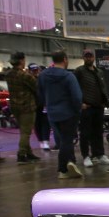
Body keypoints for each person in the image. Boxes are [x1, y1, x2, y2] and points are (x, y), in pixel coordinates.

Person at [38, 50, 84, 179]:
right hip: (68, 113)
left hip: (52, 113)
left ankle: (71, 162)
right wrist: (77, 110)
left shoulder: (43, 75)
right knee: (67, 140)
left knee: (60, 139)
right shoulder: (69, 76)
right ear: (65, 59)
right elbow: (77, 96)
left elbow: (40, 94)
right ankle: (63, 169)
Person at [73, 49, 109, 168]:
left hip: (98, 107)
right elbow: (74, 88)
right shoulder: (79, 71)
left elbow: (103, 87)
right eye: (86, 56)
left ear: (94, 57)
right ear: (83, 58)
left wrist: (104, 101)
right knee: (85, 133)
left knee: (98, 132)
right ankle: (86, 156)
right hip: (86, 107)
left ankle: (99, 154)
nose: (88, 58)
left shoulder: (99, 71)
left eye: (90, 56)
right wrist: (80, 103)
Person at [5, 52, 41, 163]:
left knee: (23, 130)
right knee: (26, 132)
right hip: (27, 106)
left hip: (14, 106)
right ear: (21, 61)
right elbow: (36, 87)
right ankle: (21, 154)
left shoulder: (8, 74)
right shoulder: (25, 75)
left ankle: (29, 153)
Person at [29, 64, 53, 151]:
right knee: (37, 123)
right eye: (33, 70)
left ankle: (46, 141)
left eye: (37, 70)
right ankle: (41, 140)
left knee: (45, 122)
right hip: (33, 105)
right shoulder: (28, 80)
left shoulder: (42, 79)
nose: (36, 72)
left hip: (43, 104)